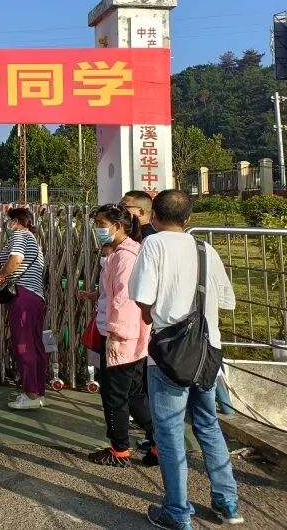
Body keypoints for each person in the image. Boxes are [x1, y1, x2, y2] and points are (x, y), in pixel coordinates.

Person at [130, 190, 243, 528]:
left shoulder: (153, 244)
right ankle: (228, 502)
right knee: (208, 425)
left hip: (170, 354)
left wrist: (154, 315)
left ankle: (177, 512)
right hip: (207, 352)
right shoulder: (205, 248)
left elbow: (143, 298)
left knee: (169, 433)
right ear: (188, 218)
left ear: (154, 216)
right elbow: (227, 301)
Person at [86, 204, 156, 468]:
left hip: (122, 337)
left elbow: (123, 300)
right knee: (134, 394)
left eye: (101, 224)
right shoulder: (125, 252)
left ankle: (119, 450)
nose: (98, 229)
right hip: (132, 336)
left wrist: (115, 334)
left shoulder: (125, 257)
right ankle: (158, 442)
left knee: (114, 396)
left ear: (117, 226)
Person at [0, 206, 48, 410]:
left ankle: (30, 393)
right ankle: (38, 391)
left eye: (10, 221)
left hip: (22, 295)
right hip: (35, 295)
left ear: (15, 221)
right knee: (35, 344)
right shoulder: (33, 240)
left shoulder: (19, 235)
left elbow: (16, 259)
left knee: (23, 344)